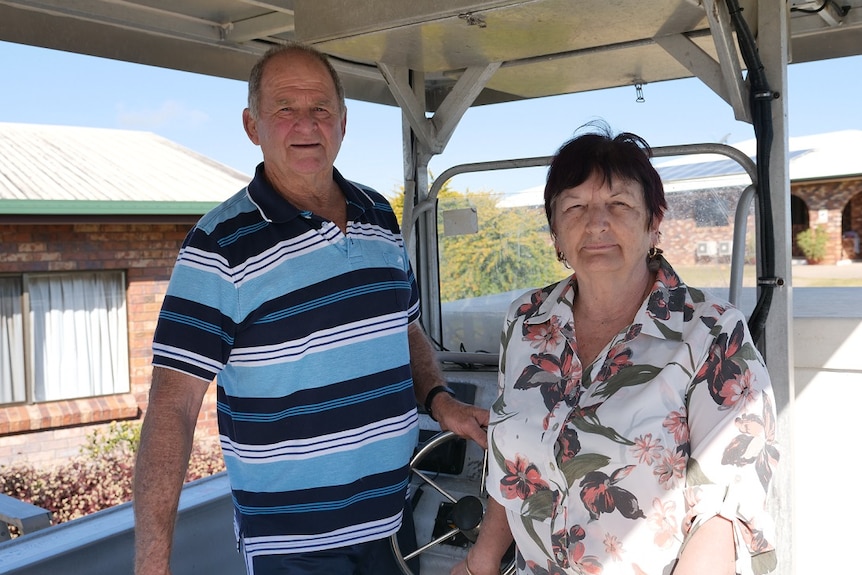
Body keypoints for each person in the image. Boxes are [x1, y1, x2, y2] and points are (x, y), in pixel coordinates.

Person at [133, 42, 489, 575]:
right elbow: (172, 408)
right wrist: (151, 566)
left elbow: (405, 327)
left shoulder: (378, 215)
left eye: (320, 108)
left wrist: (440, 401)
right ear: (252, 125)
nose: (306, 123)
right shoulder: (218, 246)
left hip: (393, 525)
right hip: (292, 549)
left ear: (342, 122)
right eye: (285, 109)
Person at [453, 124, 779, 575]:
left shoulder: (713, 333)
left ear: (654, 221)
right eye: (575, 207)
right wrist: (480, 561)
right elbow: (512, 464)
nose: (596, 223)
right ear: (555, 233)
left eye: (619, 204)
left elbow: (723, 511)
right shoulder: (526, 321)